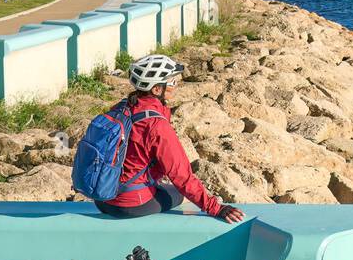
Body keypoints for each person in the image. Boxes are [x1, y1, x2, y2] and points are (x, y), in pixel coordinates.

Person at [95, 54, 246, 224]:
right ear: (157, 89)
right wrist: (216, 207)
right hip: (128, 204)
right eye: (172, 81)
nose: (176, 85)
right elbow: (181, 176)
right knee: (180, 195)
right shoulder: (156, 125)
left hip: (102, 198)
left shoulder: (122, 107)